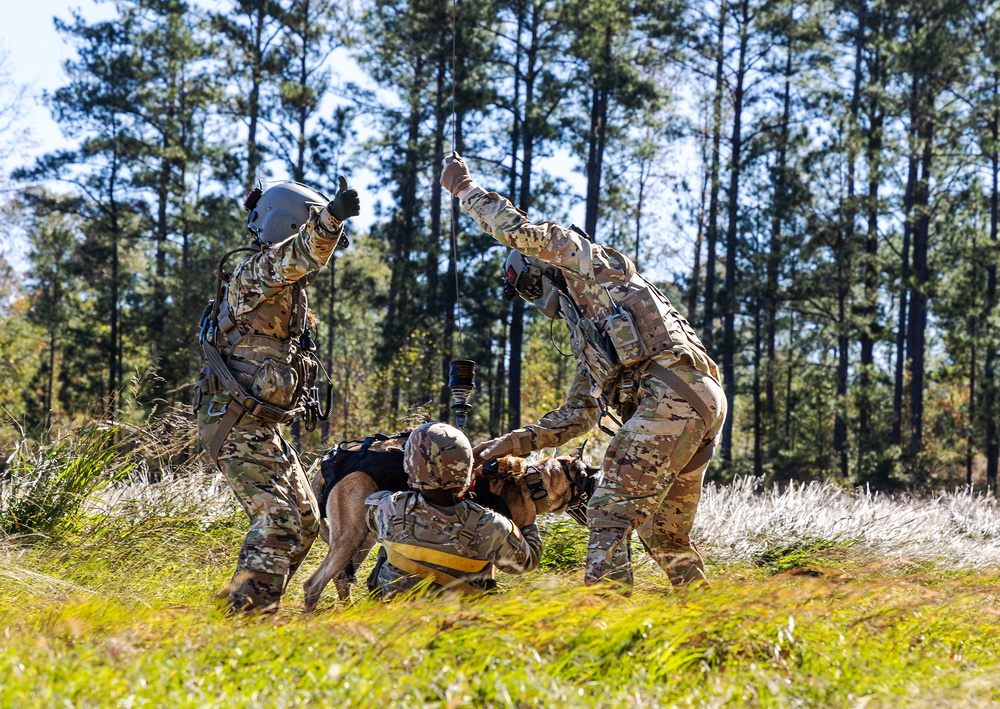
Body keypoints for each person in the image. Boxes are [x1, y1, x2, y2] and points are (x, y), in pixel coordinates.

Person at [440, 153, 727, 589]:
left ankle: (602, 620)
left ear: (541, 268)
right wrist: (516, 441)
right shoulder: (591, 329)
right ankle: (707, 623)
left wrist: (465, 189)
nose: (535, 300)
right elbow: (580, 412)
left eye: (530, 287)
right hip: (695, 403)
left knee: (607, 509)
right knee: (663, 534)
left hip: (671, 397)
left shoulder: (584, 260)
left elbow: (518, 232)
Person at [194, 177, 361, 613]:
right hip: (233, 419)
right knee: (276, 520)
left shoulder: (285, 289)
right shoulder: (256, 273)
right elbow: (297, 256)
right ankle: (246, 623)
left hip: (258, 423)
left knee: (306, 523)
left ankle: (238, 602)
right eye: (308, 227)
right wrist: (331, 219)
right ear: (290, 224)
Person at [365, 422, 542, 598]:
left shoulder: (387, 507)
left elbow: (372, 524)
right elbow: (526, 563)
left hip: (394, 620)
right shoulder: (490, 526)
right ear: (466, 468)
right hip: (459, 621)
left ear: (410, 466)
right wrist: (526, 517)